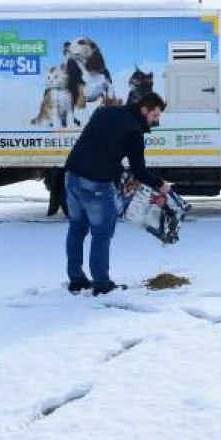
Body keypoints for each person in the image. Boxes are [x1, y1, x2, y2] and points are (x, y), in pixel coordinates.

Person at [63, 92, 170, 295]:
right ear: (144, 109)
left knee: (77, 228)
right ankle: (102, 284)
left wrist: (116, 168)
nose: (155, 122)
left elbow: (100, 143)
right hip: (95, 183)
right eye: (154, 116)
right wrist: (160, 184)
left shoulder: (106, 111)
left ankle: (76, 279)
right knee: (101, 233)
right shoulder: (134, 132)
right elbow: (140, 171)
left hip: (71, 175)